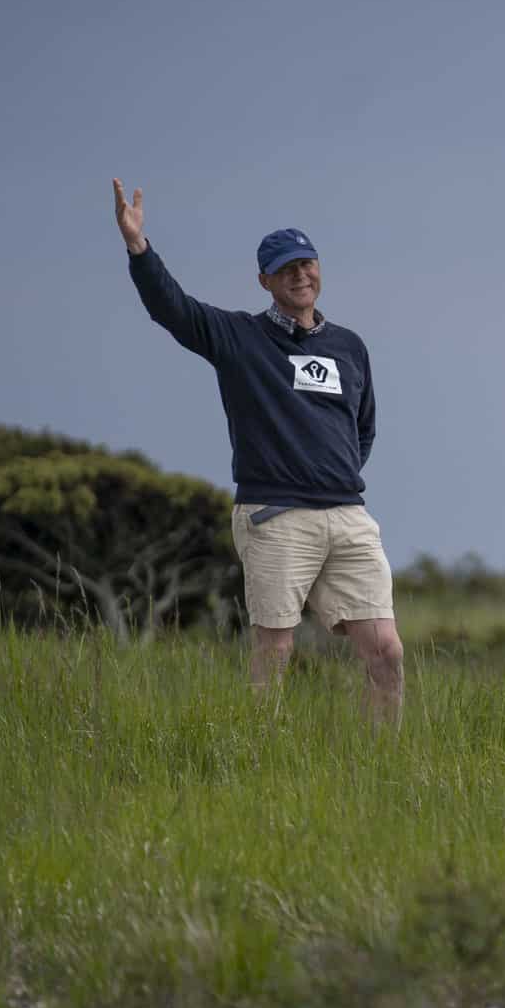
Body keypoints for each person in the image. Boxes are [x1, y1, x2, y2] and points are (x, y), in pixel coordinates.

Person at [112, 178, 405, 723]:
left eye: (307, 264)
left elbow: (362, 429)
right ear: (265, 279)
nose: (300, 275)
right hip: (275, 516)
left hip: (347, 516)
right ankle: (257, 756)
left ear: (319, 270)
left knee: (386, 651)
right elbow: (173, 309)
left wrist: (330, 475)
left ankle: (381, 764)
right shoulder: (239, 337)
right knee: (275, 652)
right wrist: (139, 248)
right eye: (287, 268)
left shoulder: (349, 347)